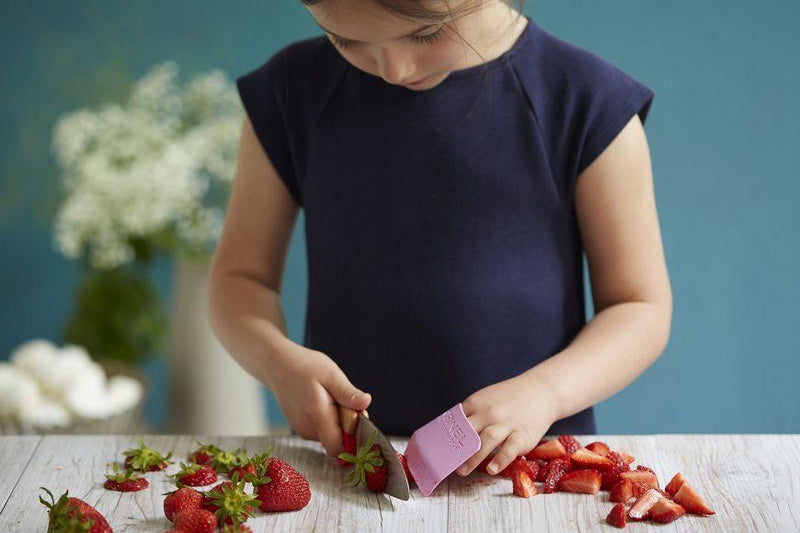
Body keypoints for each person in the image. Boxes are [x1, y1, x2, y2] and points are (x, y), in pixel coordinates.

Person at [208, 0, 672, 479]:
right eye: (347, 39)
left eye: (426, 35)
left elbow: (639, 307)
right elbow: (239, 280)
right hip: (347, 475)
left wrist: (545, 393)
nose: (394, 70)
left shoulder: (585, 98)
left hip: (528, 475)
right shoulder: (290, 91)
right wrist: (275, 360)